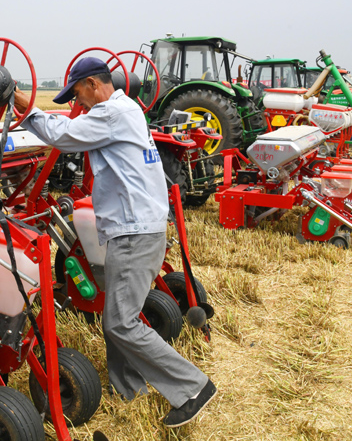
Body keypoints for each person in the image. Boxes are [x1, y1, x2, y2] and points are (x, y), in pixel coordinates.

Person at [13, 57, 216, 428]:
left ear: (93, 84)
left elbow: (61, 135)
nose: (79, 103)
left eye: (78, 94)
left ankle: (192, 387)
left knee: (120, 323)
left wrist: (19, 103)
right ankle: (128, 388)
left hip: (135, 232)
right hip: (138, 227)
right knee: (117, 316)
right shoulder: (128, 108)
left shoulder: (109, 114)